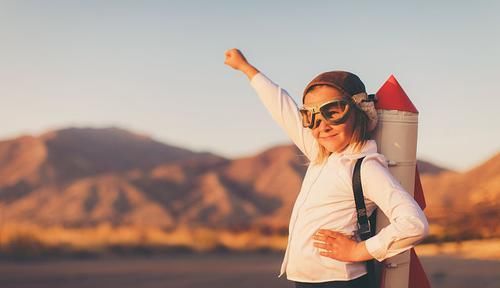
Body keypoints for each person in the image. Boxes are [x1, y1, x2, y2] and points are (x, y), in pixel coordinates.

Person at [223, 48, 429, 288]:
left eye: (333, 112)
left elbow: (414, 224)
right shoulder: (322, 156)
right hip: (307, 280)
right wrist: (246, 68)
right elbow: (282, 108)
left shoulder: (364, 167)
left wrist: (359, 251)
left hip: (338, 282)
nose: (323, 126)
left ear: (360, 110)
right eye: (311, 117)